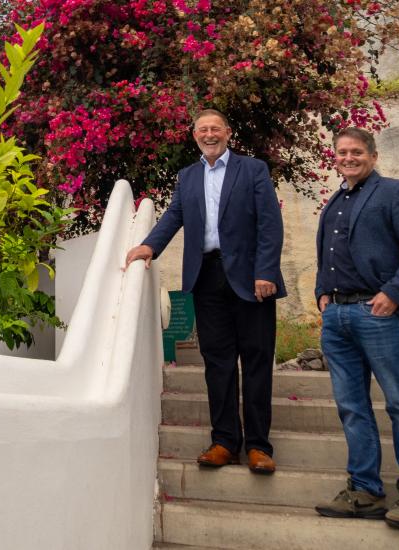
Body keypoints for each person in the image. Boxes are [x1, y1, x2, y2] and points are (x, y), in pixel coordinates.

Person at [124, 109, 286, 475]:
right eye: (202, 129)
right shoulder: (188, 177)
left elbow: (270, 224)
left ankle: (259, 446)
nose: (209, 134)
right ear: (194, 135)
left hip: (251, 279)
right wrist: (149, 247)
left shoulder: (253, 169)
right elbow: (173, 216)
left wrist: (266, 271)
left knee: (257, 361)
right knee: (218, 363)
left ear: (228, 132)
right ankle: (225, 441)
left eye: (215, 128)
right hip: (206, 278)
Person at [308, 128, 399, 530]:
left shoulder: (395, 193)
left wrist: (394, 295)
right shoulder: (335, 201)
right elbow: (329, 257)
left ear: (373, 155)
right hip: (338, 317)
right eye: (342, 152)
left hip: (378, 314)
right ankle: (364, 490)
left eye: (356, 152)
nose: (348, 158)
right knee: (352, 407)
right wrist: (322, 295)